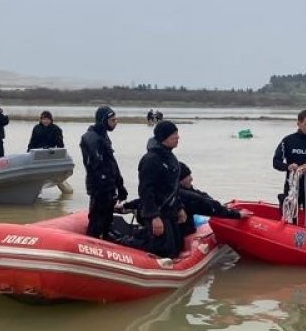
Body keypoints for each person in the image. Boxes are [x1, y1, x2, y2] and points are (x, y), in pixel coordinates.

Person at [124, 163, 252, 237]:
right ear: (179, 180)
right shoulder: (186, 196)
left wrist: (125, 206)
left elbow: (142, 200)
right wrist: (237, 215)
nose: (191, 179)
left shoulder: (166, 191)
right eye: (187, 176)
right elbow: (210, 207)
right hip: (176, 233)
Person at [136, 120, 187, 258]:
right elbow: (145, 190)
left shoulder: (171, 157)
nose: (178, 137)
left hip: (170, 211)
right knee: (165, 249)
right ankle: (124, 241)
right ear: (164, 137)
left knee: (178, 245)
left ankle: (142, 234)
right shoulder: (151, 159)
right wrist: (154, 216)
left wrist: (180, 208)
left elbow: (174, 188)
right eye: (174, 134)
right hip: (156, 212)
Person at [80, 106, 127, 240]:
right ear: (103, 121)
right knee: (97, 220)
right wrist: (106, 186)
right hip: (99, 187)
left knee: (107, 218)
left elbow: (111, 162)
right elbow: (96, 166)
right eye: (113, 120)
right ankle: (92, 241)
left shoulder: (103, 136)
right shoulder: (91, 138)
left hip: (109, 185)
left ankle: (106, 236)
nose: (115, 122)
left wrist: (119, 184)